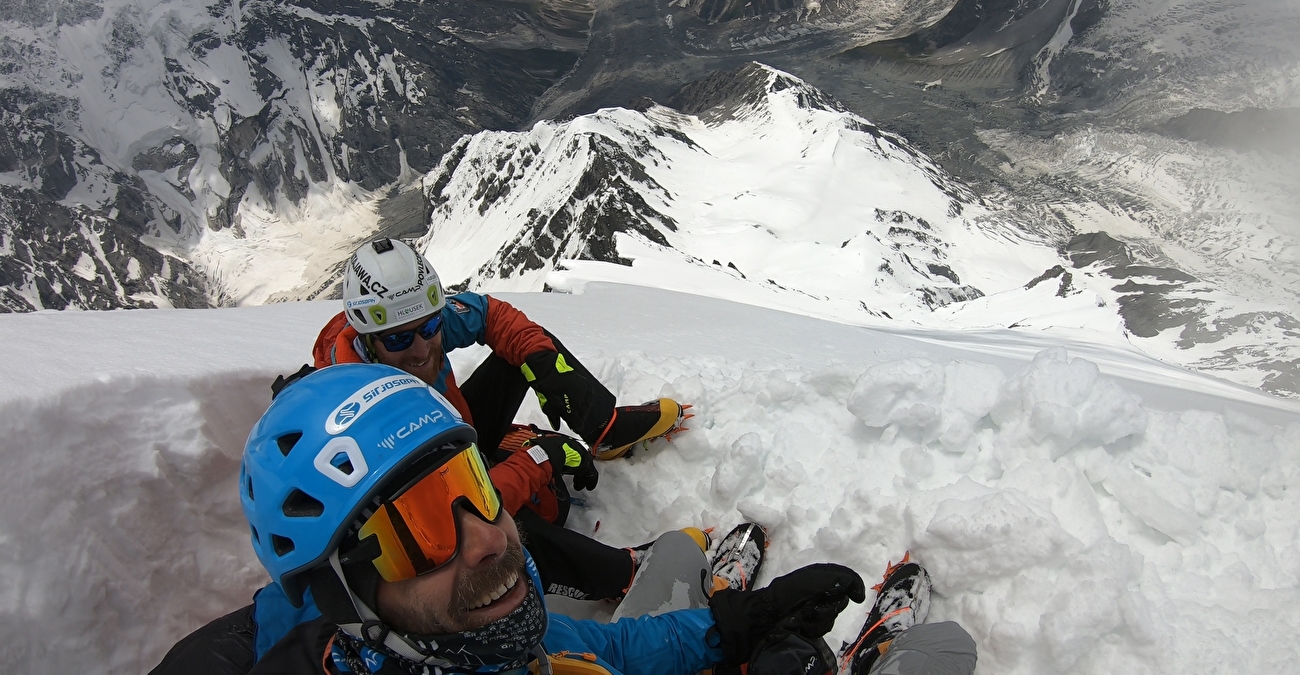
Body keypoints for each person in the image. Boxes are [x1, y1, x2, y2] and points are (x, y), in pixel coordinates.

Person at [153, 365, 978, 675]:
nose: (489, 533)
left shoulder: (456, 638)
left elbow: (588, 643)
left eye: (473, 482)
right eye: (421, 527)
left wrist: (728, 625)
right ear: (341, 593)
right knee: (945, 656)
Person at [301, 237, 692, 603]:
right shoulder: (360, 408)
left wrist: (541, 361)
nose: (420, 350)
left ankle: (604, 428)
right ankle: (627, 575)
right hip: (425, 519)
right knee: (495, 528)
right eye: (400, 340)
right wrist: (539, 458)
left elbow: (492, 316)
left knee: (525, 353)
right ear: (368, 338)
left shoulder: (405, 324)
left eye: (429, 328)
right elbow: (456, 511)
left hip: (452, 437)